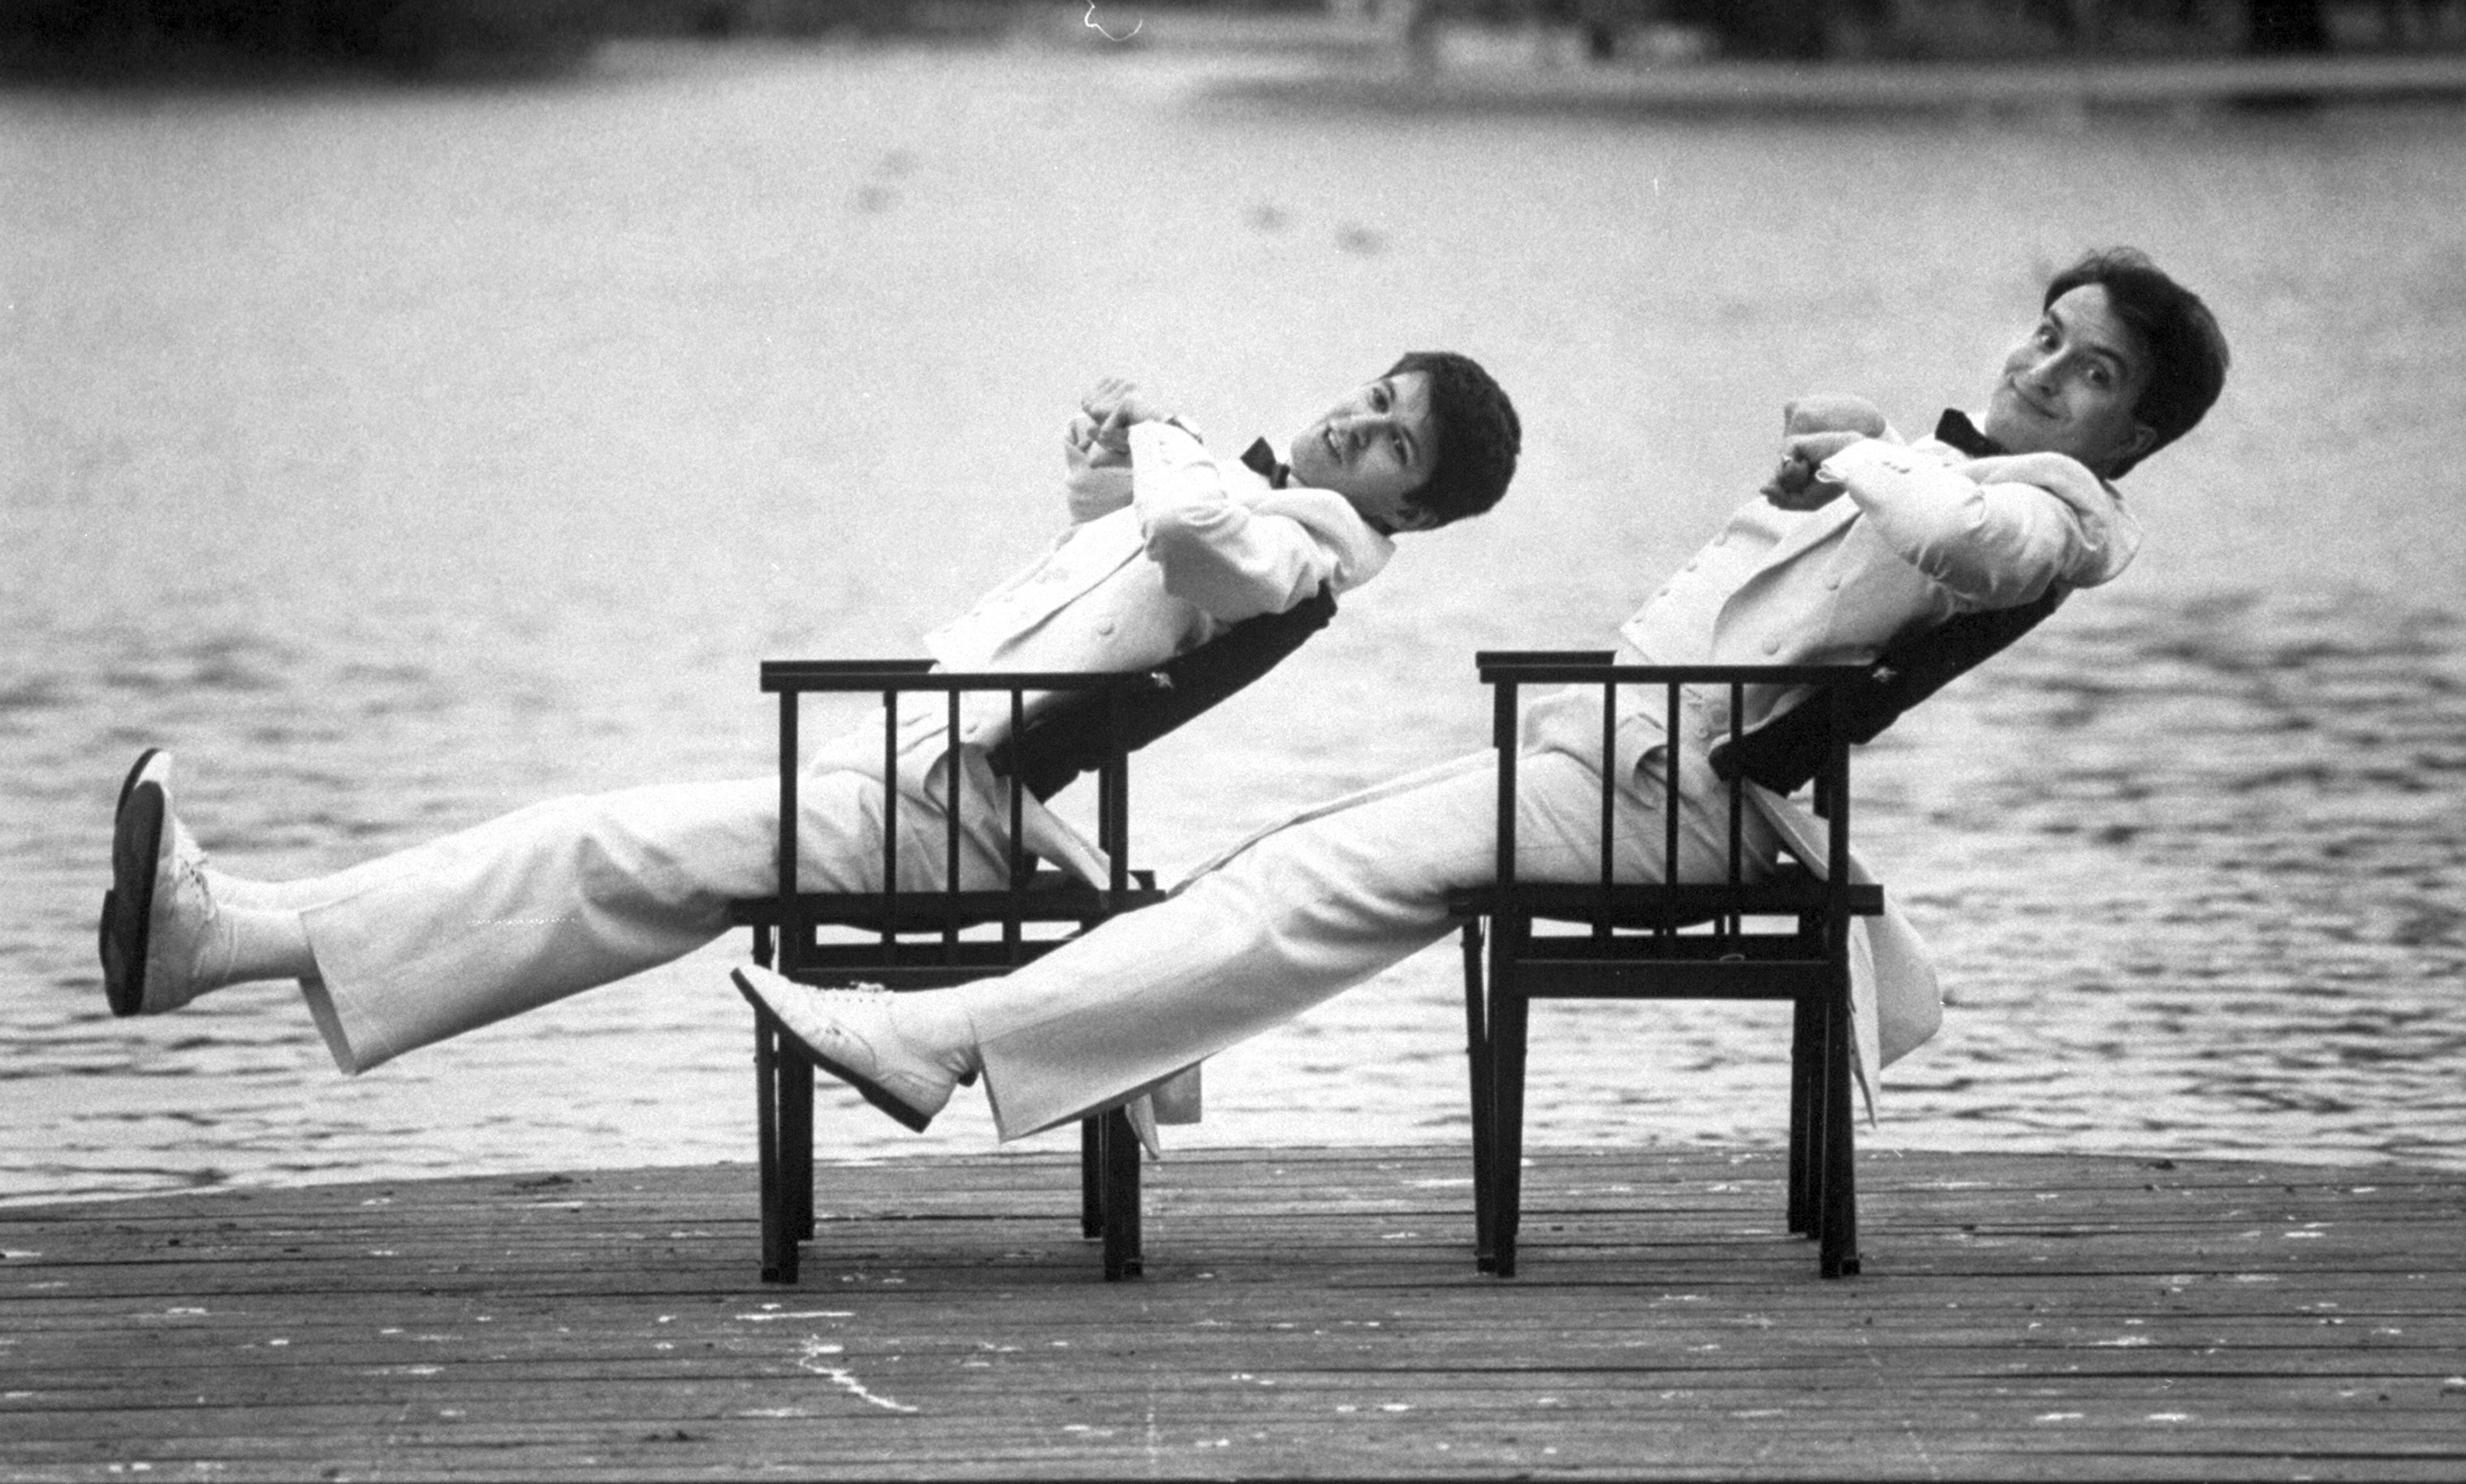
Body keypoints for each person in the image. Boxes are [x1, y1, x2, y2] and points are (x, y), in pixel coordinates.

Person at [736, 248, 2231, 1145]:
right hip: (1622, 774)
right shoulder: (1956, 472)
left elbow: (1962, 533)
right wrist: (1850, 464)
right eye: (2047, 333)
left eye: (2089, 371)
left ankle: (955, 1042)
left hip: (1672, 808)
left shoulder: (2056, 517)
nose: (2043, 370)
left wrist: (1852, 447)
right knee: (1287, 885)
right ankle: (1044, 1046)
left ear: (2136, 432)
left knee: (1292, 880)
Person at [99, 353, 1524, 1077]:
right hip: (909, 772)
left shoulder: (1290, 551)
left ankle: (225, 934)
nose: (1358, 423)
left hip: (941, 815)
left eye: (1393, 441)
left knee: (602, 846)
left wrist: (1160, 439)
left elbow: (1186, 527)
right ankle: (225, 934)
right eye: (1375, 395)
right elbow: (1123, 542)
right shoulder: (1253, 509)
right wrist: (1101, 455)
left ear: (1412, 510)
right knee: (616, 864)